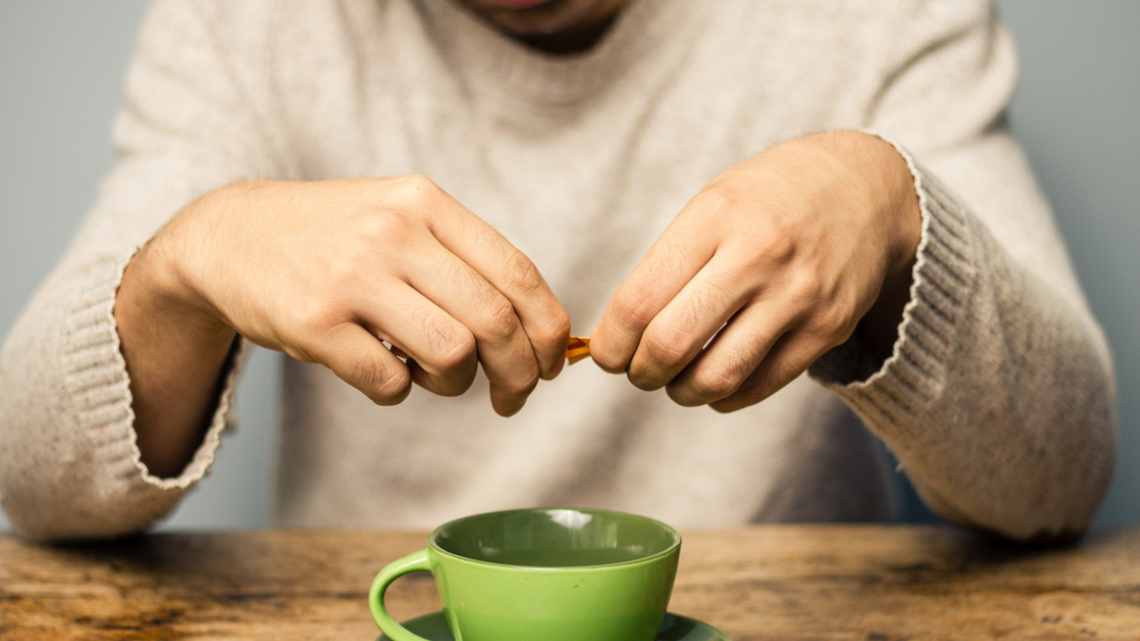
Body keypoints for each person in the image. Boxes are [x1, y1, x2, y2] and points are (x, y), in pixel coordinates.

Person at [0, 0, 1116, 542]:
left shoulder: (882, 16)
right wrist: (191, 258)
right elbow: (31, 481)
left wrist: (894, 212)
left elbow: (1062, 478)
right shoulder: (248, 25)